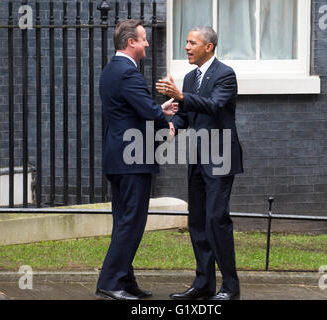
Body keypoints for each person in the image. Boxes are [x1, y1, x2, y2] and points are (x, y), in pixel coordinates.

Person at [156, 26, 243, 300]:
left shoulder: (225, 75)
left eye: (192, 43)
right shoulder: (190, 77)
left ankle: (230, 287)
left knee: (217, 219)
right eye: (186, 42)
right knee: (197, 221)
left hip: (220, 157)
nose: (186, 47)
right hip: (197, 158)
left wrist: (181, 97)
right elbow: (185, 115)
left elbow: (214, 106)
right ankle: (203, 283)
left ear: (209, 46)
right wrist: (172, 127)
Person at [96, 19, 177, 300]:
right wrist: (164, 122)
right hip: (132, 159)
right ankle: (109, 282)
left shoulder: (110, 71)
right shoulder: (129, 73)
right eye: (143, 39)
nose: (146, 44)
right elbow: (147, 112)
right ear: (131, 42)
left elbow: (133, 109)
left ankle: (125, 281)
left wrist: (158, 109)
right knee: (132, 220)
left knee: (123, 220)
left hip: (117, 158)